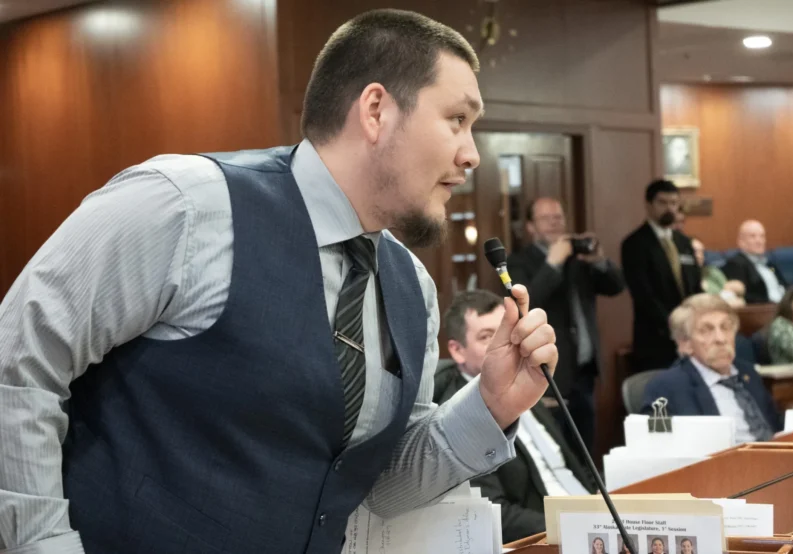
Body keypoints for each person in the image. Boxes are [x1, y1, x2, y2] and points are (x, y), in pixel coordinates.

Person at [0, 10, 559, 553]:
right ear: (375, 110)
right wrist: (41, 544)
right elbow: (17, 363)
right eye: (457, 120)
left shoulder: (411, 285)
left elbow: (379, 487)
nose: (472, 155)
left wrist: (489, 405)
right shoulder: (183, 205)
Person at [434, 290, 595, 543]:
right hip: (549, 537)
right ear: (457, 350)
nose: (505, 347)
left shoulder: (528, 381)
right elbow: (494, 514)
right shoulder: (455, 417)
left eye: (509, 335)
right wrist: (577, 528)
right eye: (488, 337)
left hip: (590, 515)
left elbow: (574, 465)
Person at [507, 197, 625, 452]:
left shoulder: (579, 259)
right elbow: (525, 302)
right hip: (549, 373)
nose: (554, 223)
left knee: (586, 448)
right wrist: (552, 263)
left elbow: (615, 286)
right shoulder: (518, 262)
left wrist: (599, 261)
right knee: (557, 449)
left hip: (584, 371)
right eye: (545, 219)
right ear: (530, 227)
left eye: (558, 217)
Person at [641, 294, 781, 443]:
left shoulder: (748, 373)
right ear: (685, 344)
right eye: (706, 330)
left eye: (726, 327)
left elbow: (777, 426)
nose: (721, 339)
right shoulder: (664, 388)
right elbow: (656, 447)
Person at [622, 179, 702, 372]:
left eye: (674, 203)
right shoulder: (635, 244)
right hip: (655, 340)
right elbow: (644, 296)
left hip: (690, 337)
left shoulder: (684, 243)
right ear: (649, 205)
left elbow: (696, 287)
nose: (669, 208)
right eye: (663, 202)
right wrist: (676, 326)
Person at [722, 220, 787, 304]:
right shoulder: (736, 264)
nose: (759, 241)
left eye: (762, 236)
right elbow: (744, 295)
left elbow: (784, 285)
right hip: (761, 311)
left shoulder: (770, 264)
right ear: (741, 242)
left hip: (783, 308)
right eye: (753, 236)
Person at [691, 238, 745, 307]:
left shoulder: (713, 271)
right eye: (695, 251)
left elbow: (727, 290)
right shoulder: (684, 276)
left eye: (701, 252)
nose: (699, 255)